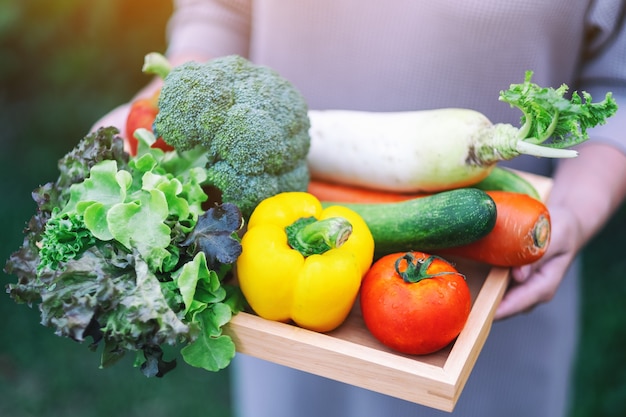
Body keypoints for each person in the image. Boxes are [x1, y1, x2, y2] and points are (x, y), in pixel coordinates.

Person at [92, 1, 626, 416]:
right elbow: (220, 11)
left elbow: (617, 88)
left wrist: (573, 212)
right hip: (276, 284)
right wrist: (178, 93)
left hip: (488, 303)